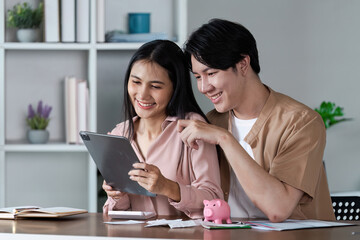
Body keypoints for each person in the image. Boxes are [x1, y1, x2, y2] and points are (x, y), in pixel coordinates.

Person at [178, 19, 335, 222]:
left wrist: (225, 139)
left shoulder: (301, 123)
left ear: (243, 64)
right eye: (198, 77)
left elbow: (278, 208)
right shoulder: (211, 122)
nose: (204, 87)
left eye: (211, 73)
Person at [102, 40, 223, 218]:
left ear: (175, 88)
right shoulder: (119, 134)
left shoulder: (193, 129)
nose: (142, 94)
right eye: (136, 82)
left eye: (155, 86)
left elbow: (213, 198)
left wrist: (167, 187)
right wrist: (117, 195)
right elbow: (115, 213)